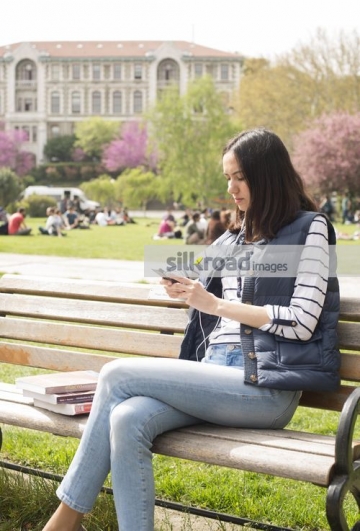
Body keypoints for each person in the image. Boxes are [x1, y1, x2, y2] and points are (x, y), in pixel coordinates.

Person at [42, 128, 340, 531]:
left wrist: (215, 304)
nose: (231, 188)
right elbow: (195, 283)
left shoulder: (310, 229)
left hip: (264, 386)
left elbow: (303, 322)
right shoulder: (233, 238)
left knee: (116, 374)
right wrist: (181, 285)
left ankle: (64, 520)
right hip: (213, 375)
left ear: (266, 175)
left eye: (239, 177)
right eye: (227, 178)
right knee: (127, 418)